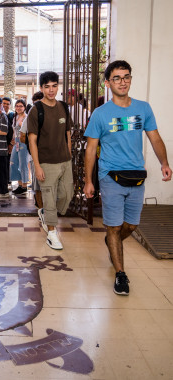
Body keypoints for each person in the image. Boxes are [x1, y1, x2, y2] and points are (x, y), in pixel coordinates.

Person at [84, 60, 172, 296]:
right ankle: (120, 274)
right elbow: (91, 149)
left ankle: (112, 242)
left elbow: (154, 138)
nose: (122, 82)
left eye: (126, 77)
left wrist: (164, 163)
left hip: (136, 175)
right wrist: (88, 181)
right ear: (108, 83)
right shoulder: (100, 114)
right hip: (109, 175)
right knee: (113, 225)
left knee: (131, 225)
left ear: (130, 79)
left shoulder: (143, 108)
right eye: (117, 78)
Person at [28, 72, 74, 250]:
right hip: (46, 162)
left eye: (54, 86)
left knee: (66, 195)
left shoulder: (63, 106)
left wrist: (68, 155)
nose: (51, 90)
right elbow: (32, 140)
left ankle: (45, 214)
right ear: (41, 88)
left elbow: (68, 134)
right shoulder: (36, 110)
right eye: (47, 87)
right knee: (48, 197)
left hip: (65, 161)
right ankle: (52, 233)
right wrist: (37, 166)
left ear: (58, 86)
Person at [20, 91, 44, 210]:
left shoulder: (33, 113)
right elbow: (22, 135)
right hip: (38, 155)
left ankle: (45, 209)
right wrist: (31, 147)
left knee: (42, 184)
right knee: (39, 184)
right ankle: (42, 209)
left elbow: (22, 136)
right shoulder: (31, 114)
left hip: (46, 155)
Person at [10, 99, 29, 195]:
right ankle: (20, 184)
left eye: (21, 106)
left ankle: (24, 186)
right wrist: (13, 139)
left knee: (23, 164)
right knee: (13, 163)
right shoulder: (15, 117)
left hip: (23, 142)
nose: (18, 108)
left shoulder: (26, 118)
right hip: (16, 142)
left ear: (24, 107)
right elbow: (14, 130)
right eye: (17, 106)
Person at [2, 97, 15, 188]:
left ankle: (8, 182)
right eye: (4, 103)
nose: (5, 105)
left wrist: (11, 144)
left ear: (10, 105)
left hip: (9, 144)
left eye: (7, 104)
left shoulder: (12, 115)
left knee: (9, 163)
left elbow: (14, 131)